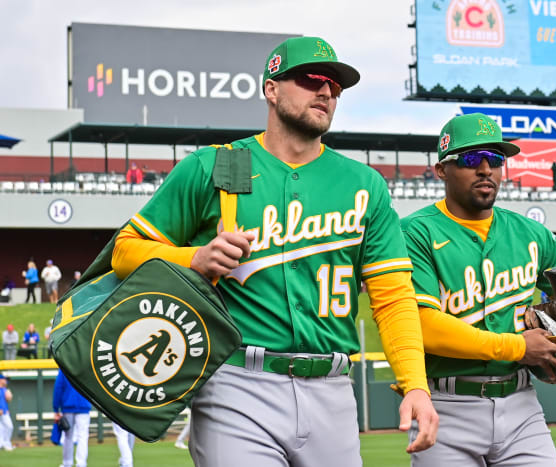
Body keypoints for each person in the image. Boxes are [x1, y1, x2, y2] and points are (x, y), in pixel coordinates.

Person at [110, 36, 438, 466]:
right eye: (311, 79)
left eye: (335, 87)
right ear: (271, 89)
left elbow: (393, 297)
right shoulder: (216, 165)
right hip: (238, 382)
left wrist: (415, 383)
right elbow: (125, 251)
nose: (325, 92)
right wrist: (193, 258)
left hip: (333, 387)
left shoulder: (364, 184)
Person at [401, 113, 556, 466]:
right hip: (447, 405)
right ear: (441, 170)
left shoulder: (530, 234)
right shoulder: (415, 233)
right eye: (472, 159)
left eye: (496, 159)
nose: (486, 169)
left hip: (521, 405)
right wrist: (518, 346)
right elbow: (422, 326)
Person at [53, 369, 91, 467]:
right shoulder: (84, 367)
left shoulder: (64, 366)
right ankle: (81, 463)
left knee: (68, 437)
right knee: (83, 436)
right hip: (83, 406)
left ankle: (67, 463)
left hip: (68, 406)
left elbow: (58, 387)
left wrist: (56, 408)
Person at [0, 374, 13, 451]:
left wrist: (9, 397)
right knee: (1, 429)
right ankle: (3, 444)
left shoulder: (4, 389)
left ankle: (6, 444)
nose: (6, 381)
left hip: (4, 412)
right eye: (4, 379)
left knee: (9, 427)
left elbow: (7, 400)